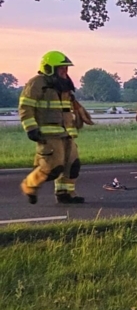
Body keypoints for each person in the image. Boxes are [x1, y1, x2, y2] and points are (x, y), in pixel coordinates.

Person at [18, 51, 92, 204]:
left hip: (66, 133)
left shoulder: (64, 85)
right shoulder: (36, 83)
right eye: (61, 68)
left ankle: (65, 194)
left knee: (72, 166)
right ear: (49, 68)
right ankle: (29, 185)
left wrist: (78, 115)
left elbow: (68, 106)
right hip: (48, 134)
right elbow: (25, 107)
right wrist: (30, 128)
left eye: (66, 69)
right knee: (53, 168)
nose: (65, 71)